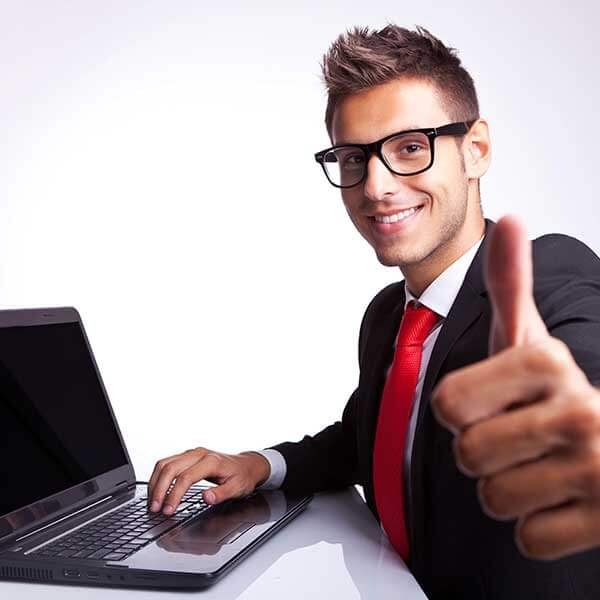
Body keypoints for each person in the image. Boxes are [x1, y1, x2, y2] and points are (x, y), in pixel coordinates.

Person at [147, 25, 600, 597]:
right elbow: (368, 438)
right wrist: (260, 464)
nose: (376, 186)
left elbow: (585, 376)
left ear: (476, 150)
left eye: (410, 147)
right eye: (353, 157)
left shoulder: (548, 272)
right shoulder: (388, 316)